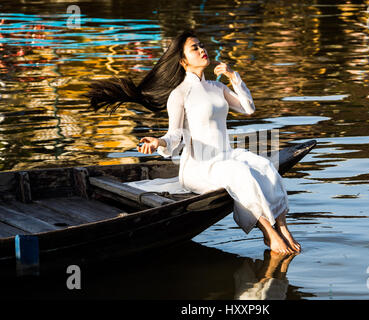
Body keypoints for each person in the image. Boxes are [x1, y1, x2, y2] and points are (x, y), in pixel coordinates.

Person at [85, 29, 300, 254]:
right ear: (182, 61)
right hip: (198, 167)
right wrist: (158, 142)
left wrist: (233, 76)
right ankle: (268, 232)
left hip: (225, 157)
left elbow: (248, 108)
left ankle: (283, 228)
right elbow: (175, 135)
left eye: (201, 45)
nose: (202, 50)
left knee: (265, 166)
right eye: (194, 48)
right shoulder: (179, 94)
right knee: (239, 172)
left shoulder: (217, 87)